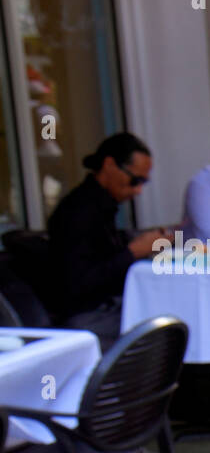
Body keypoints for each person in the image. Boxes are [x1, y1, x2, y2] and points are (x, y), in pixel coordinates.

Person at [45, 132, 171, 348]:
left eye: (143, 182)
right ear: (110, 165)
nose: (138, 190)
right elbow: (79, 284)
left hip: (104, 307)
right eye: (135, 180)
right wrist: (132, 252)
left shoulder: (100, 206)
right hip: (86, 316)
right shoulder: (78, 211)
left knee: (169, 307)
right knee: (166, 324)